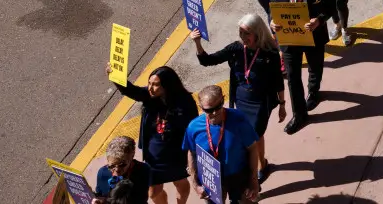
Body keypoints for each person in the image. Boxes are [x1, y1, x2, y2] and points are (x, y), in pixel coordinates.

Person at [190, 14, 285, 181]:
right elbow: (208, 61)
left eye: (247, 33)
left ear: (258, 33)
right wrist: (197, 43)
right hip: (240, 100)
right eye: (240, 32)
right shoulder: (236, 48)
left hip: (260, 103)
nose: (243, 37)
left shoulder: (270, 54)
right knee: (248, 137)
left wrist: (282, 104)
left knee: (253, 137)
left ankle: (257, 171)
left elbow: (278, 81)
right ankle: (260, 164)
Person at [106, 65, 197, 204]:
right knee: (153, 192)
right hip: (153, 157)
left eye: (155, 85)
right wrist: (116, 77)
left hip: (176, 155)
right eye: (149, 83)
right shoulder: (149, 96)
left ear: (167, 86)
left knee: (180, 182)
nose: (150, 88)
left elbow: (191, 129)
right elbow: (132, 91)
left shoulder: (185, 102)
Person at [271, 0, 334, 133]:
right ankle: (299, 115)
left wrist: (319, 20)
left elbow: (330, 7)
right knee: (292, 77)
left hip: (313, 37)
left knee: (315, 67)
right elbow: (273, 6)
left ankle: (313, 92)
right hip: (290, 39)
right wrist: (272, 22)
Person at [182, 85, 261, 204]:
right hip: (211, 178)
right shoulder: (193, 127)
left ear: (223, 99)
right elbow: (192, 153)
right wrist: (195, 184)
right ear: (201, 107)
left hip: (239, 175)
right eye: (208, 110)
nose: (214, 113)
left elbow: (252, 148)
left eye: (218, 107)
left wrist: (254, 180)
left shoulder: (239, 120)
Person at [93, 136, 151, 204]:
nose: (117, 170)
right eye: (111, 166)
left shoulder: (142, 170)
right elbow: (100, 194)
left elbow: (140, 199)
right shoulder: (103, 173)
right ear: (108, 160)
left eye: (122, 165)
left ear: (132, 155)